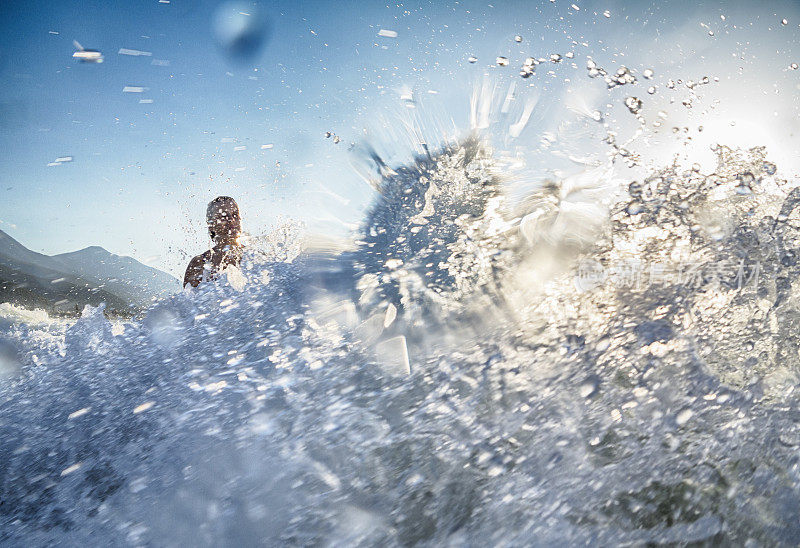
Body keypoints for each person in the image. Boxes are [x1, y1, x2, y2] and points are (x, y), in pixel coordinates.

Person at [184, 196, 243, 288]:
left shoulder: (255, 258)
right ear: (211, 225)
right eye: (224, 217)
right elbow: (187, 300)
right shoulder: (199, 263)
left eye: (235, 215)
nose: (231, 220)